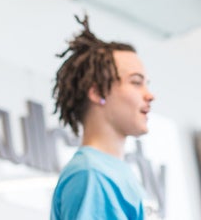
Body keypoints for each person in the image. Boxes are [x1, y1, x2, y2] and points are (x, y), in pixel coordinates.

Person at [50, 15, 155, 220]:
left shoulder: (115, 174)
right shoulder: (92, 174)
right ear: (98, 93)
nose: (150, 95)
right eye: (136, 82)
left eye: (147, 84)